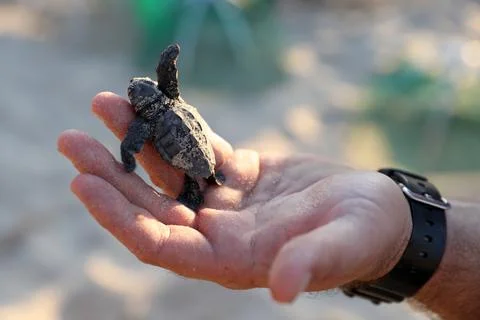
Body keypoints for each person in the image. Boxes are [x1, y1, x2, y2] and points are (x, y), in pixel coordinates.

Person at [58, 92, 480, 320]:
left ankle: (197, 186)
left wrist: (129, 157)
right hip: (204, 155)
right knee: (197, 177)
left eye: (138, 91)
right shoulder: (165, 100)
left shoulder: (149, 118)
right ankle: (203, 181)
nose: (137, 92)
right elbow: (162, 91)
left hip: (192, 159)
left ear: (143, 104)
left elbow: (133, 142)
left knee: (190, 183)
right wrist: (413, 234)